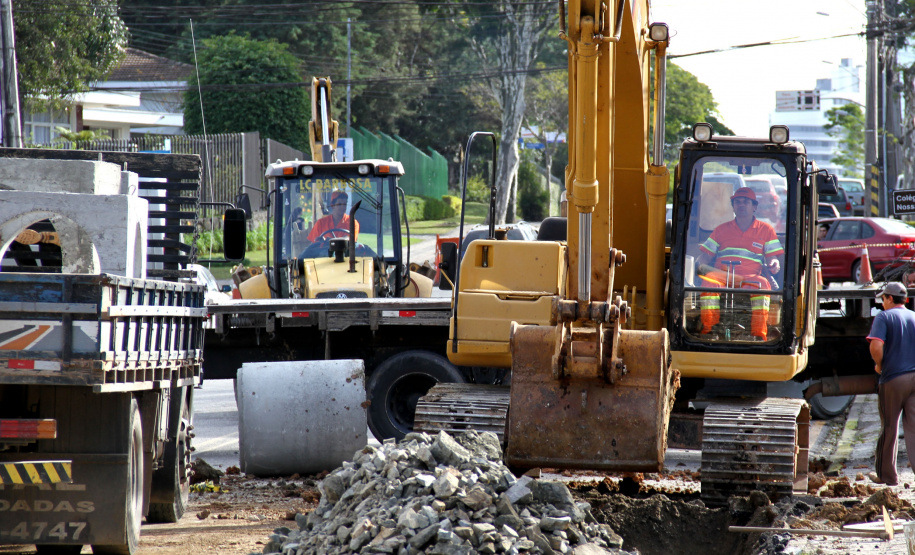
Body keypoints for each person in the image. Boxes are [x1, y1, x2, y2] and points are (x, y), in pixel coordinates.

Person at [695, 187, 784, 340]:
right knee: (708, 283)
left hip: (750, 278)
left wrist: (774, 264)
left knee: (762, 285)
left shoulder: (766, 230)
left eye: (745, 202)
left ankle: (758, 334)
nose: (741, 205)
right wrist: (697, 267)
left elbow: (772, 258)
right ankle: (709, 331)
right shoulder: (721, 230)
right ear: (733, 206)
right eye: (737, 202)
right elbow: (705, 257)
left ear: (754, 206)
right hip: (721, 276)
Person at [867, 282, 915, 486]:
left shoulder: (884, 317)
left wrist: (880, 365)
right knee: (913, 428)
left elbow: (876, 345)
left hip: (894, 379)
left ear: (888, 298)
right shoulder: (914, 316)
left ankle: (888, 476)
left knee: (890, 427)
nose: (881, 303)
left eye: (882, 299)